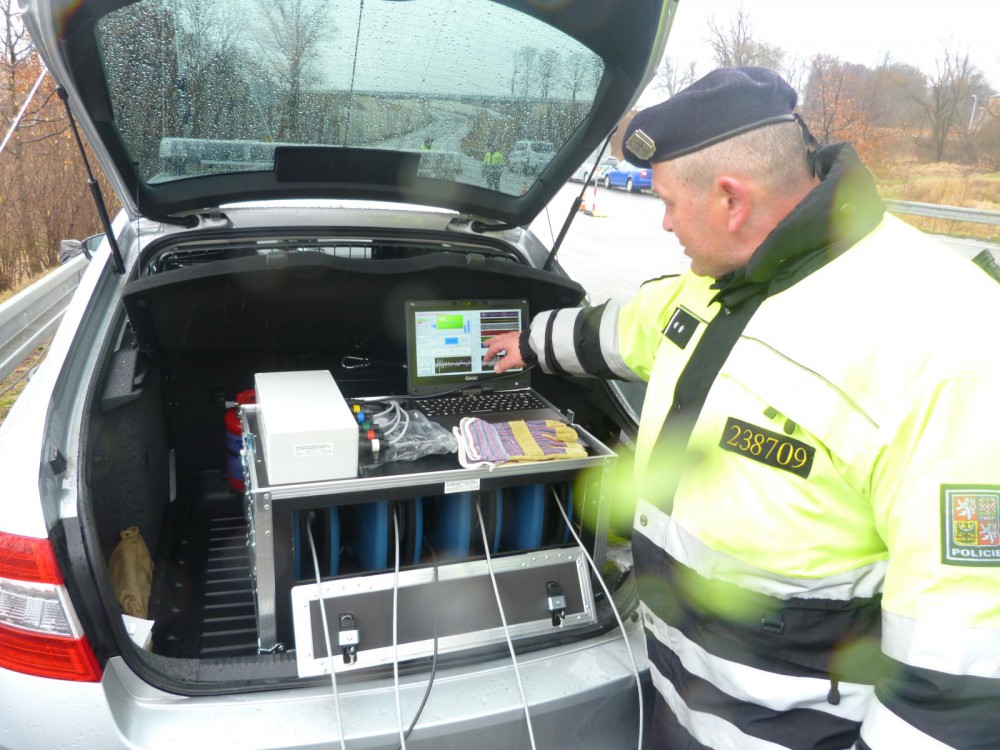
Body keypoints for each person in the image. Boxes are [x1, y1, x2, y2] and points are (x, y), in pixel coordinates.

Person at [484, 67, 1000, 750]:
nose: (664, 221)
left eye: (669, 202)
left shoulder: (951, 342)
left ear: (731, 199)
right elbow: (621, 330)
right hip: (677, 697)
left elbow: (960, 676)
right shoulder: (718, 277)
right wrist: (523, 342)